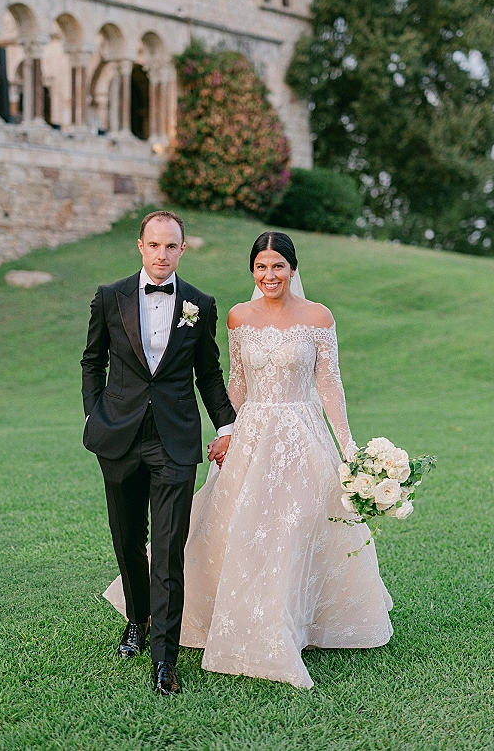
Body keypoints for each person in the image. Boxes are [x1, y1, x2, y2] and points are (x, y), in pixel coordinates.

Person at [105, 231, 393, 689]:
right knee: (237, 526)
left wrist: (349, 449)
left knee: (295, 529)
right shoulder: (239, 317)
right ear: (253, 271)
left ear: (293, 269)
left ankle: (297, 625)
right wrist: (227, 432)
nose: (269, 274)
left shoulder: (319, 316)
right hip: (252, 435)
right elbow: (234, 383)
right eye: (261, 266)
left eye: (278, 265)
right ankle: (182, 615)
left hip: (302, 435)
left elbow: (329, 385)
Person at [81, 211, 236, 695]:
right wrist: (93, 414)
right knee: (127, 540)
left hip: (176, 440)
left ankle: (165, 661)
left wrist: (228, 423)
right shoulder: (111, 297)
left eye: (171, 247)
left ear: (183, 250)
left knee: (168, 552)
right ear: (140, 246)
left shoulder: (200, 304)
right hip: (119, 436)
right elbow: (93, 360)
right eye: (154, 245)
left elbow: (208, 373)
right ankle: (136, 618)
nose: (162, 255)